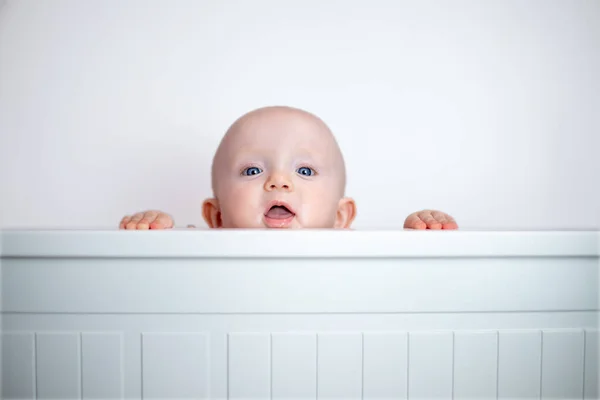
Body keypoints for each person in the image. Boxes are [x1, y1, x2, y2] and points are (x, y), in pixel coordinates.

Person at [119, 106, 458, 230]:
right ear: (216, 217)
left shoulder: (354, 252)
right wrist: (155, 236)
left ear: (341, 218)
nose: (278, 181)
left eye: (305, 171)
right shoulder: (199, 251)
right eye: (252, 171)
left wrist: (421, 239)